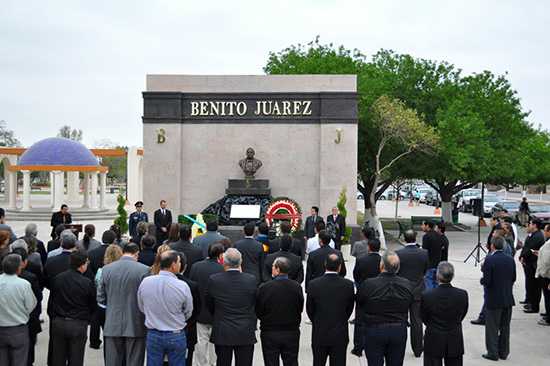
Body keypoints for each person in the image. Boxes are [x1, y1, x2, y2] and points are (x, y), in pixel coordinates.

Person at [97, 243, 152, 366]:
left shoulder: (106, 269)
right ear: (137, 253)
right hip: (135, 321)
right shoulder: (144, 270)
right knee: (134, 361)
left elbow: (100, 297)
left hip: (112, 322)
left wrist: (112, 303)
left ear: (122, 253)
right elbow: (148, 297)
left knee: (112, 361)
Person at [138, 250, 194, 366]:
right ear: (173, 264)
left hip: (153, 333)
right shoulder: (182, 286)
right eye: (179, 262)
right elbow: (188, 311)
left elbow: (142, 306)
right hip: (175, 333)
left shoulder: (146, 282)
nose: (180, 265)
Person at [357, 251, 413, 366]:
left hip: (374, 329)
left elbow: (359, 302)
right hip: (398, 329)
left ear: (381, 266)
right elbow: (410, 303)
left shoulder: (369, 284)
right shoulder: (406, 284)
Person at [205, 248, 258, 366]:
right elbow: (254, 302)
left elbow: (208, 302)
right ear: (241, 262)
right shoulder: (250, 280)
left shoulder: (215, 280)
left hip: (223, 329)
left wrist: (218, 314)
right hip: (244, 329)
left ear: (224, 262)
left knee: (223, 362)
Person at [48, 249, 97, 366]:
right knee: (76, 359)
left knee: (57, 359)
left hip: (58, 322)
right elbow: (93, 305)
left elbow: (52, 300)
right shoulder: (87, 283)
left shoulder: (58, 278)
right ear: (82, 265)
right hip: (77, 323)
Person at [306, 254, 355, 366]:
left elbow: (310, 309)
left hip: (320, 333)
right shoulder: (348, 285)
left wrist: (317, 321)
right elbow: (349, 308)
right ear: (339, 267)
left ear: (325, 264)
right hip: (340, 334)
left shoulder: (314, 284)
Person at [256, 257, 304, 366]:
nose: (272, 269)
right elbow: (299, 308)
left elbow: (259, 310)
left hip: (270, 332)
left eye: (273, 267)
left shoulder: (266, 288)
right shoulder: (296, 287)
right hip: (291, 331)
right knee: (291, 361)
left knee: (271, 362)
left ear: (277, 270)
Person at [420, 261, 469, 366]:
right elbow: (462, 314)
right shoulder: (462, 295)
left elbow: (424, 317)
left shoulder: (427, 296)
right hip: (454, 337)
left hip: (434, 336)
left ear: (437, 277)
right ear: (453, 276)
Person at [480, 235, 516, 361]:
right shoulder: (510, 259)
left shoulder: (490, 260)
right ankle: (503, 351)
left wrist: (482, 278)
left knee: (492, 327)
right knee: (505, 327)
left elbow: (487, 280)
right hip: (507, 298)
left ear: (492, 246)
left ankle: (492, 352)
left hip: (494, 298)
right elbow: (513, 278)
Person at [189, 243, 225, 366]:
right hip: (217, 311)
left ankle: (200, 364)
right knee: (215, 343)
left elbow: (192, 287)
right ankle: (213, 363)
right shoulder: (222, 269)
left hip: (200, 311)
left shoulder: (196, 267)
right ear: (220, 255)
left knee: (200, 342)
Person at [395, 230, 429, 358]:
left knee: (400, 320)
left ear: (404, 239)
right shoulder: (424, 253)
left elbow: (396, 271)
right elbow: (425, 270)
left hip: (402, 291)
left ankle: (398, 347)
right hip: (418, 290)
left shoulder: (399, 253)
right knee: (416, 321)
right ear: (415, 239)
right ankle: (418, 349)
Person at [0, 254, 37, 366]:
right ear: (19, 268)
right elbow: (31, 305)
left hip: (1, 328)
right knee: (20, 361)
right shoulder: (23, 284)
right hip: (18, 329)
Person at [11, 247, 42, 366]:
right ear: (25, 261)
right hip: (28, 318)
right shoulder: (30, 277)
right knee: (28, 351)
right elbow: (38, 297)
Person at [351, 238, 382, 357]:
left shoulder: (361, 260)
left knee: (359, 320)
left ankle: (358, 347)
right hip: (379, 292)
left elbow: (356, 276)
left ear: (368, 247)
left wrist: (362, 285)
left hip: (363, 291)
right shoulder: (382, 261)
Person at [87, 230, 117, 350]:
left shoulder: (92, 253)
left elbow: (88, 273)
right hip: (111, 289)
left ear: (102, 238)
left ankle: (94, 340)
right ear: (114, 241)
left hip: (95, 288)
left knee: (95, 316)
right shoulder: (116, 253)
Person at [174, 252, 201, 366]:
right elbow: (197, 308)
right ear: (185, 267)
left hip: (165, 329)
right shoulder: (192, 285)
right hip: (187, 329)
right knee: (186, 361)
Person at [520, 218, 545, 313]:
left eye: (530, 223)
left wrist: (525, 257)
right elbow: (526, 247)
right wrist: (522, 256)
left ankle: (534, 306)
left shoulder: (538, 236)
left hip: (532, 263)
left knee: (534, 286)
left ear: (534, 225)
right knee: (530, 284)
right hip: (528, 262)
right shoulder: (532, 235)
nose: (529, 225)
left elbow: (531, 249)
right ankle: (530, 302)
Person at [535, 223, 550, 326]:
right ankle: (548, 313)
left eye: (546, 231)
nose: (544, 233)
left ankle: (548, 318)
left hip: (547, 275)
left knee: (548, 297)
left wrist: (543, 273)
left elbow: (547, 261)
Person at [422, 219, 443, 290]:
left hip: (429, 264)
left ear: (427, 226)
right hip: (437, 263)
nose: (422, 227)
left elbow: (425, 251)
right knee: (436, 282)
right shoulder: (438, 235)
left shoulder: (426, 236)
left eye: (423, 225)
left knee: (428, 282)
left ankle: (430, 297)